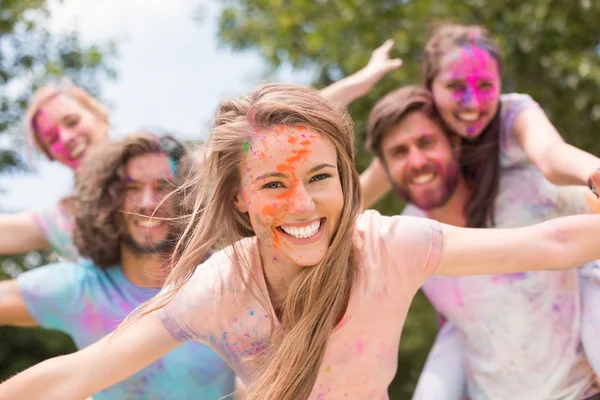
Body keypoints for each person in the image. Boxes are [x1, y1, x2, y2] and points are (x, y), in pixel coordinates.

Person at [2, 84, 600, 400]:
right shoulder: (219, 290)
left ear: (346, 178)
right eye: (272, 184)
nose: (302, 205)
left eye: (319, 177)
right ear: (240, 198)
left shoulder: (391, 246)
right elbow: (76, 376)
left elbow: (551, 243)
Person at [364, 84, 599, 400]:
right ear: (386, 168)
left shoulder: (528, 188)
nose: (416, 161)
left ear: (455, 143)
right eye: (399, 152)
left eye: (426, 142)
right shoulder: (401, 236)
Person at [0, 133, 235, 400]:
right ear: (108, 201)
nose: (148, 203)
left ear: (187, 196)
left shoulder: (227, 279)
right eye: (131, 188)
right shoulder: (82, 288)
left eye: (163, 186)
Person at [0, 84, 110, 261]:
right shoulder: (68, 219)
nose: (66, 138)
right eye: (52, 139)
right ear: (51, 155)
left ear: (101, 117)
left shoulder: (164, 171)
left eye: (73, 122)